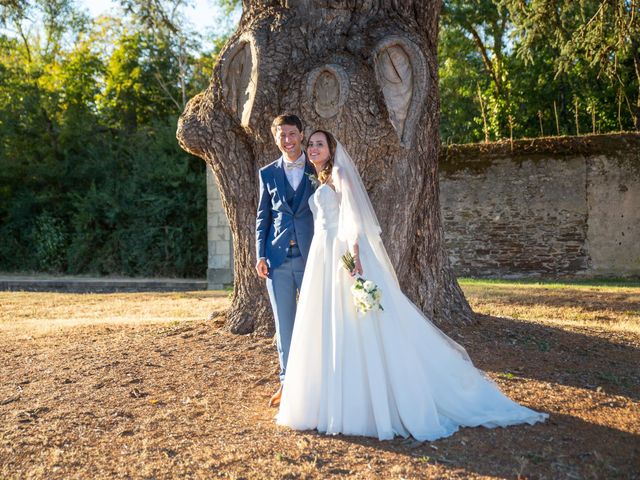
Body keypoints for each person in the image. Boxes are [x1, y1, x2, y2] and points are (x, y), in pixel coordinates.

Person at [276, 130, 548, 441]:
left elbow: (354, 216)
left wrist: (353, 252)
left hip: (341, 254)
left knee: (356, 324)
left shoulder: (338, 172)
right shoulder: (320, 178)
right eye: (310, 144)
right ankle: (324, 399)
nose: (312, 148)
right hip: (321, 257)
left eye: (318, 144)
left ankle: (361, 403)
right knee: (330, 323)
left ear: (331, 149)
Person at [255, 114, 317, 408]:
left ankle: (316, 382)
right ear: (275, 137)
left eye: (292, 134)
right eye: (282, 135)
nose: (288, 140)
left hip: (313, 257)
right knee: (285, 325)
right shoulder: (267, 173)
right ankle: (286, 383)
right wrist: (260, 254)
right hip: (277, 260)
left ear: (301, 135)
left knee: (316, 321)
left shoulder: (319, 168)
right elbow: (262, 217)